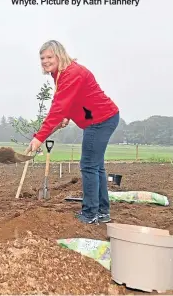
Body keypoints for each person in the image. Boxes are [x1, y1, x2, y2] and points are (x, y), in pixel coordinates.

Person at [29, 40, 119, 225]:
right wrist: (67, 116)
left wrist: (39, 137)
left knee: (88, 165)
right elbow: (72, 100)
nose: (45, 61)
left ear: (59, 55)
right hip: (100, 119)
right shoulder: (60, 74)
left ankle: (90, 214)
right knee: (96, 166)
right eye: (42, 58)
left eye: (49, 57)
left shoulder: (71, 73)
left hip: (100, 121)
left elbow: (58, 107)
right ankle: (102, 212)